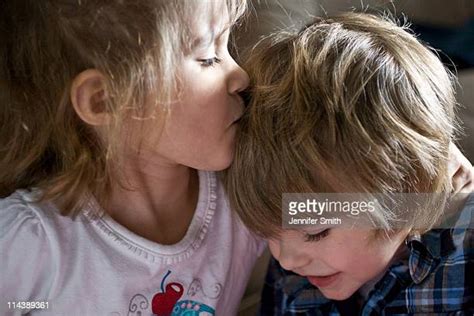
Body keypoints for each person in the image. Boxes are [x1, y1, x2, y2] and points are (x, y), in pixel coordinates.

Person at [0, 1, 267, 315]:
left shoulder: (243, 195)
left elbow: (336, 210)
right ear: (106, 100)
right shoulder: (32, 244)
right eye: (208, 57)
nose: (241, 76)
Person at [226, 13, 474, 314]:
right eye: (267, 234)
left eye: (316, 231)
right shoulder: (296, 268)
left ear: (407, 189)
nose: (287, 260)